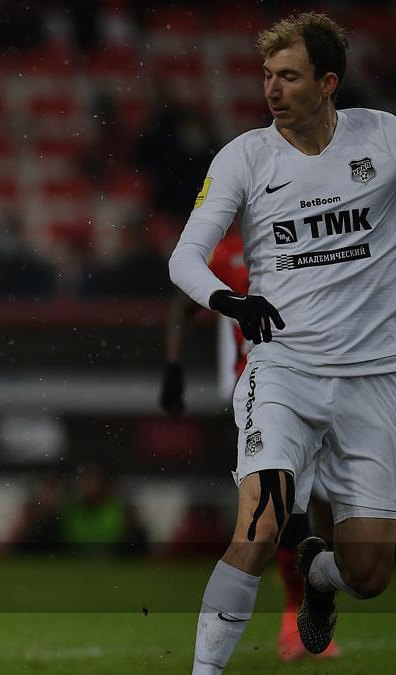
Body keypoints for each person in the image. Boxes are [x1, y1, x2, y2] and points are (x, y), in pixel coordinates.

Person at [168, 13, 396, 673]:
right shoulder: (245, 156)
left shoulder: (382, 138)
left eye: (289, 76)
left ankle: (318, 576)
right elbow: (185, 258)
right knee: (259, 527)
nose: (272, 88)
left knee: (370, 574)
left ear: (329, 82)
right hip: (284, 372)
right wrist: (230, 299)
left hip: (374, 380)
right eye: (267, 75)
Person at [161, 232, 341, 660]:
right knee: (284, 507)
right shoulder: (225, 253)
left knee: (329, 506)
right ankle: (295, 611)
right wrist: (173, 368)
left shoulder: (309, 234)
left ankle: (318, 588)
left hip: (322, 382)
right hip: (257, 391)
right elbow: (184, 305)